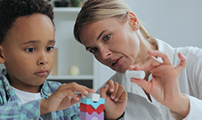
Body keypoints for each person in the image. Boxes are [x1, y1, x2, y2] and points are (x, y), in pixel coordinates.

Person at [0, 0, 127, 119]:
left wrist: (111, 115)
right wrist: (43, 106)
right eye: (30, 49)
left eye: (49, 48)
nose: (44, 59)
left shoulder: (62, 94)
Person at [73, 0, 202, 119]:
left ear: (133, 21)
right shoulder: (102, 100)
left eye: (107, 37)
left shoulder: (195, 62)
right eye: (94, 50)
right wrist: (114, 118)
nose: (103, 54)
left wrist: (179, 103)